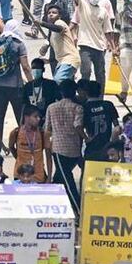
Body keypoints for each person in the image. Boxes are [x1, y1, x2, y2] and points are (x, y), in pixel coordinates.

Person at [45, 80, 84, 213]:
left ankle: (78, 209)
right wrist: (86, 138)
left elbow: (47, 129)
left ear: (61, 92)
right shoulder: (78, 108)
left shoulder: (51, 107)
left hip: (58, 148)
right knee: (60, 178)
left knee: (67, 181)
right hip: (74, 148)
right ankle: (50, 205)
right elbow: (78, 126)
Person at [34, 4, 81, 82]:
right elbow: (53, 51)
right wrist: (47, 58)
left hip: (69, 60)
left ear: (59, 16)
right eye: (49, 13)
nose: (51, 14)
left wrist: (42, 23)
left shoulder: (60, 23)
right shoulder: (51, 34)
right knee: (65, 87)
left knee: (58, 80)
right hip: (61, 62)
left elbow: (58, 29)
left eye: (54, 13)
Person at [8, 108, 52, 183]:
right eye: (35, 117)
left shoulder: (43, 134)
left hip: (38, 176)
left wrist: (49, 178)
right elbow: (11, 147)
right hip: (20, 175)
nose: (38, 119)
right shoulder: (16, 132)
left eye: (39, 117)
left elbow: (48, 157)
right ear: (26, 117)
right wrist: (19, 158)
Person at [81, 81, 120, 162]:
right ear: (100, 92)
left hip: (92, 145)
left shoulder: (84, 107)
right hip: (107, 145)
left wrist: (86, 138)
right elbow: (117, 126)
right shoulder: (108, 105)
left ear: (86, 93)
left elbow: (79, 127)